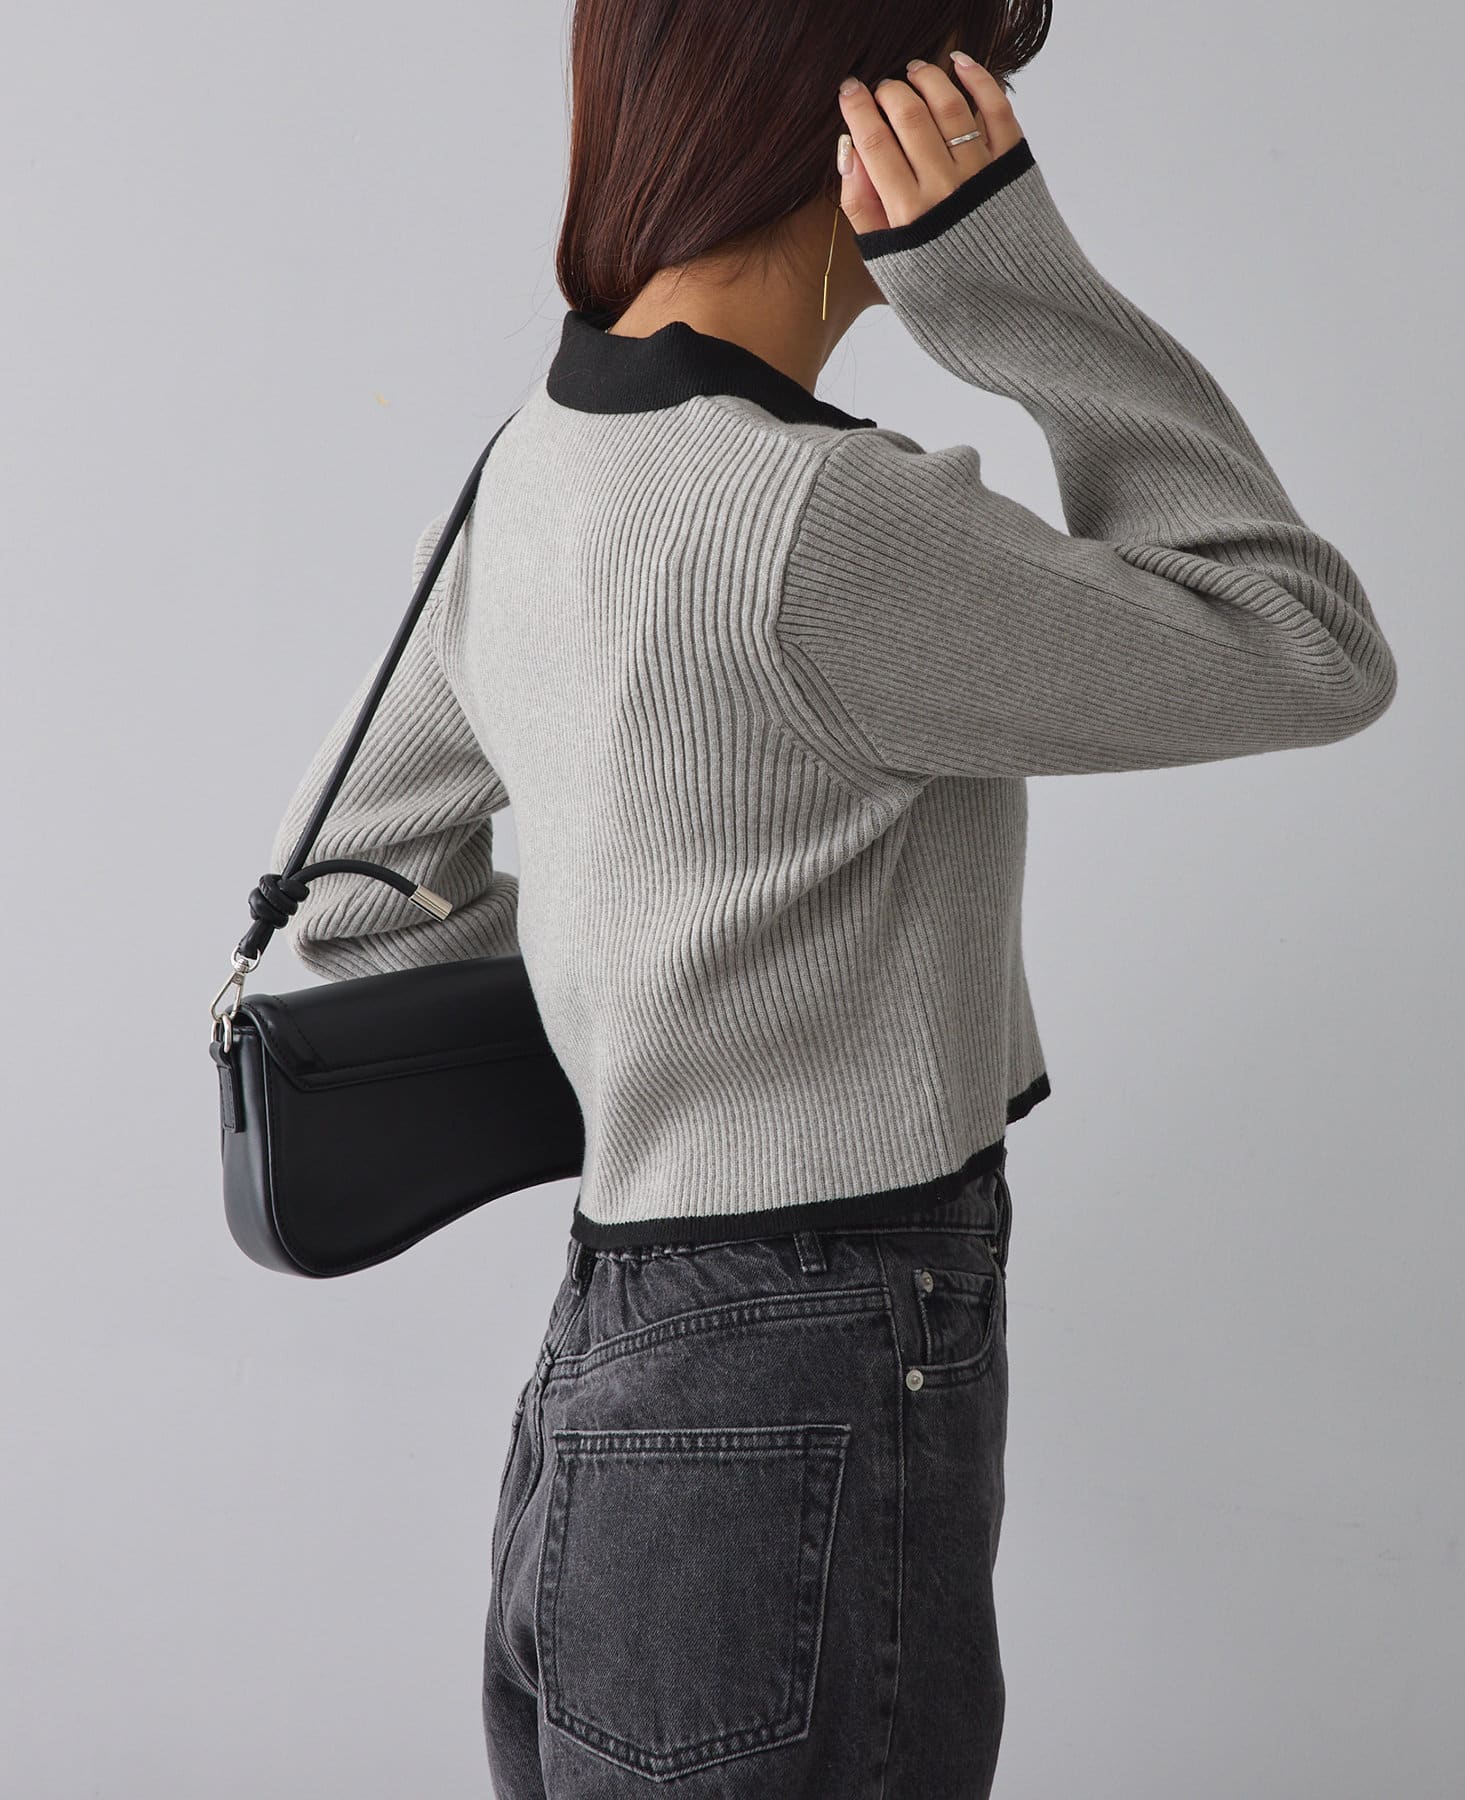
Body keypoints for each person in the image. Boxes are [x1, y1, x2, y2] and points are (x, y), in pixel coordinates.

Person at [266, 6, 1398, 1794]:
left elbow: (353, 890)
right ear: (858, 113)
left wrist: (653, 1024)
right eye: (973, 83)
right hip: (809, 1365)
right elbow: (1306, 642)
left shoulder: (537, 464)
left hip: (608, 1374)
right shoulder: (818, 523)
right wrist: (1010, 287)